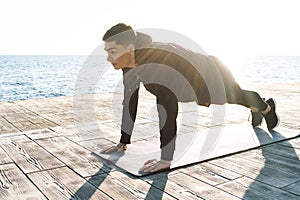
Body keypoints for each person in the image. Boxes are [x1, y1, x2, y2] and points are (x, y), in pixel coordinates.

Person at [100, 23, 279, 173]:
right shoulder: (128, 63)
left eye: (113, 51)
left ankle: (265, 107)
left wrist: (166, 158)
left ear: (130, 48)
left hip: (213, 75)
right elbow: (130, 99)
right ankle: (256, 107)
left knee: (238, 97)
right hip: (192, 81)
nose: (109, 58)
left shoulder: (157, 62)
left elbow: (167, 107)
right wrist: (124, 140)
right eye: (107, 52)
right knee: (240, 98)